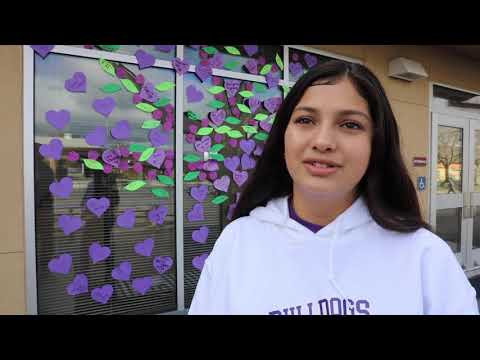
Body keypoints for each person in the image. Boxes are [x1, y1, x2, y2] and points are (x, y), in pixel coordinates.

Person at [188, 60, 479, 315]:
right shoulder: (238, 243)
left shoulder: (425, 256)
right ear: (283, 136)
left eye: (350, 125)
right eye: (305, 120)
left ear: (376, 144)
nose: (323, 141)